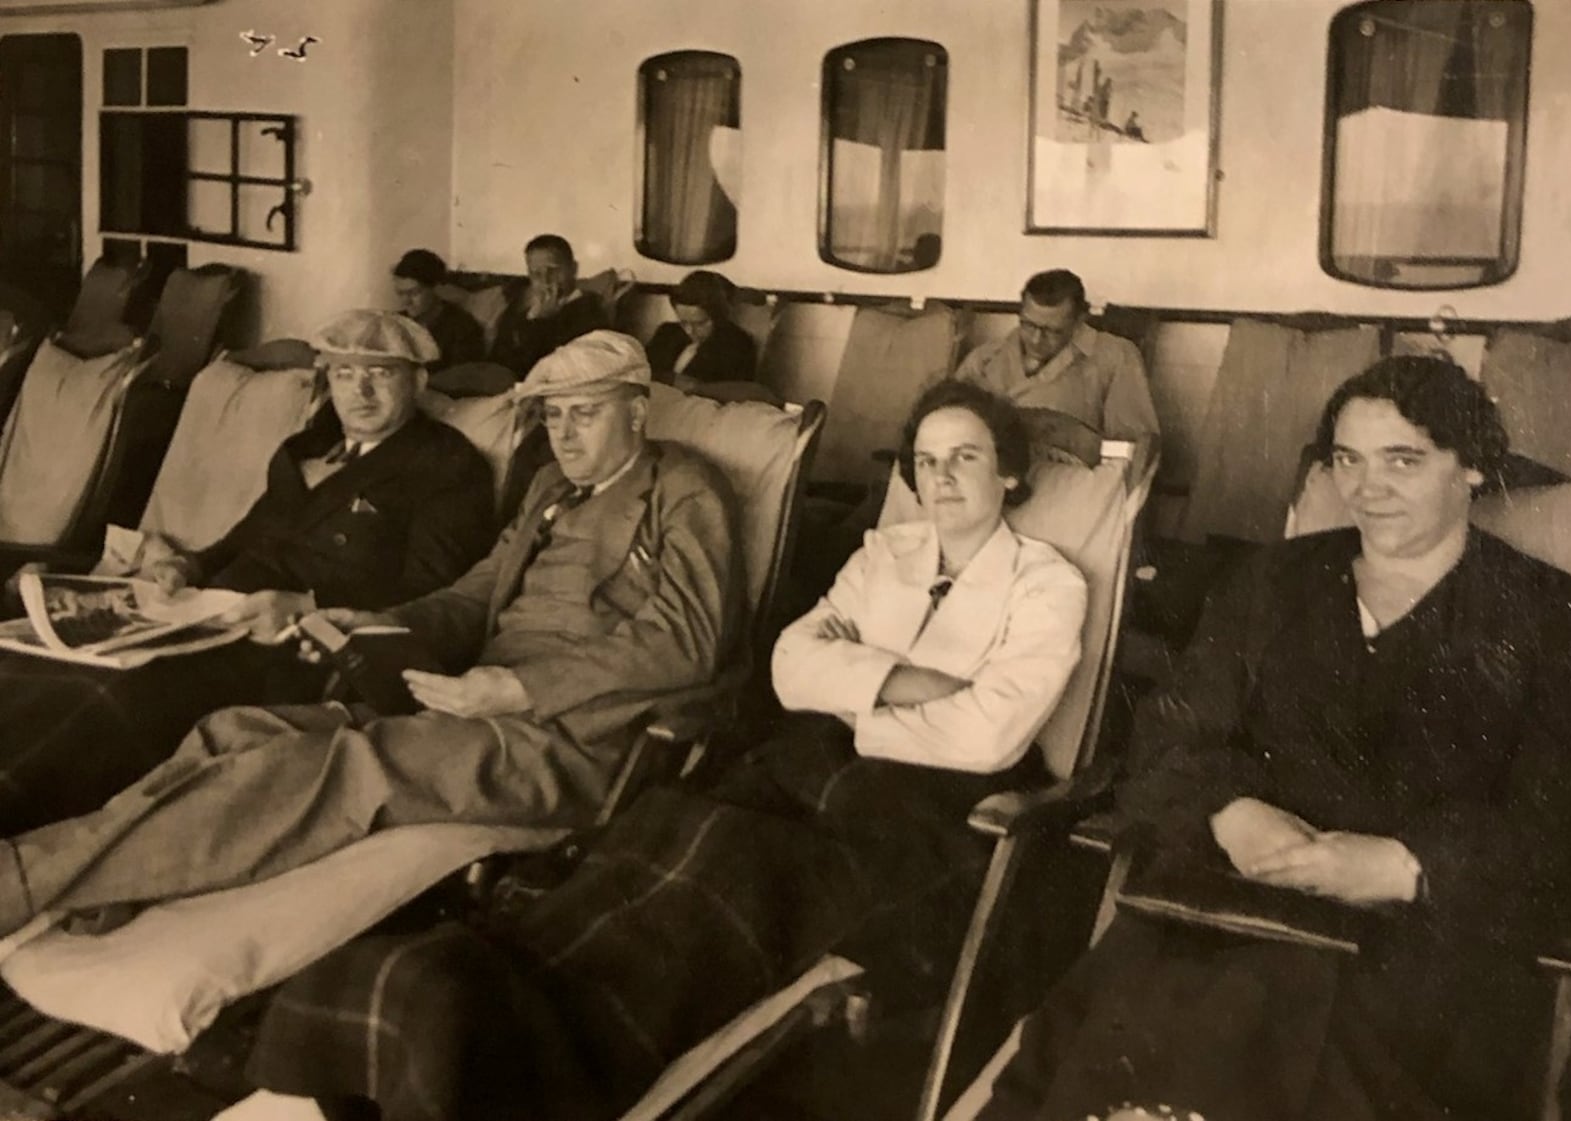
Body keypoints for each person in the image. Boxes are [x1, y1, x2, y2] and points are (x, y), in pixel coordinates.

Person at [241, 379, 1088, 1121]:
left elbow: (990, 735)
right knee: (664, 828)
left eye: (966, 458)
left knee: (728, 871)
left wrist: (855, 681)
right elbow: (792, 670)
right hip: (804, 760)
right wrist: (908, 684)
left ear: (1009, 471)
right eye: (928, 461)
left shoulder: (1047, 582)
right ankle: (456, 995)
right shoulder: (883, 553)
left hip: (917, 815)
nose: (940, 480)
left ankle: (506, 1047)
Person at [978, 356, 1571, 1121]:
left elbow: (1570, 813)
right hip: (1228, 902)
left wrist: (1409, 865)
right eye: (1348, 460)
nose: (1367, 488)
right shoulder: (1269, 582)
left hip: (1419, 943)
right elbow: (1169, 736)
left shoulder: (1551, 615)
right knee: (1110, 1043)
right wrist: (1228, 811)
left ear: (1470, 467)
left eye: (1401, 460)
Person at [0, 330, 744, 938]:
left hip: (565, 735)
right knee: (237, 731)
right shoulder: (551, 489)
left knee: (342, 767)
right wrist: (376, 623)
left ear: (638, 412)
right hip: (465, 698)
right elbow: (474, 593)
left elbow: (689, 639)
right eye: (552, 416)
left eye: (585, 412)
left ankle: (26, 878)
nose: (564, 433)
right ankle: (118, 874)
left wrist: (516, 687)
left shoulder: (684, 490)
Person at [0, 309, 496, 833]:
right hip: (210, 615)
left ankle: (26, 826)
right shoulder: (305, 447)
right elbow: (249, 537)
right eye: (345, 373)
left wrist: (307, 604)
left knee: (113, 694)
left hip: (295, 646)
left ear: (418, 381)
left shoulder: (447, 466)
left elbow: (433, 588)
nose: (361, 392)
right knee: (39, 663)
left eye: (381, 373)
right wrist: (188, 564)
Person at [955, 268, 1159, 444]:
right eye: (1028, 324)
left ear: (1079, 320)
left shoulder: (1115, 356)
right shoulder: (985, 358)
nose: (1035, 339)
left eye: (1052, 331)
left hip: (1073, 479)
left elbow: (1134, 447)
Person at [486, 234, 607, 375]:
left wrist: (542, 322)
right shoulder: (520, 308)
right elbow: (497, 361)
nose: (545, 280)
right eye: (536, 273)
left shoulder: (589, 310)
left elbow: (546, 366)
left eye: (553, 270)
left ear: (573, 269)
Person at [643, 269, 758, 389]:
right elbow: (639, 371)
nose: (689, 331)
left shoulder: (738, 345)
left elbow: (735, 392)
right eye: (684, 322)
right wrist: (672, 380)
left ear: (718, 317)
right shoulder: (667, 333)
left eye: (699, 323)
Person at [391, 249, 486, 370]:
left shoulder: (463, 328)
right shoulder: (396, 324)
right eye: (400, 293)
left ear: (435, 288)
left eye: (413, 293)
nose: (406, 302)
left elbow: (463, 378)